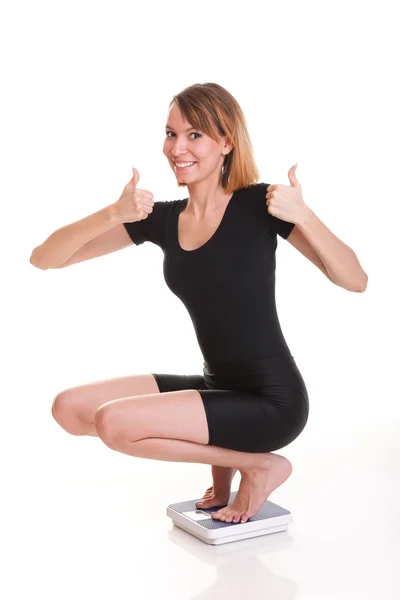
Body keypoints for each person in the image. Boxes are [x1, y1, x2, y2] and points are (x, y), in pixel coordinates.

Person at [31, 83, 368, 524]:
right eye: (171, 134)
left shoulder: (259, 205)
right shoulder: (163, 219)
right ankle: (239, 460)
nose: (177, 148)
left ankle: (259, 464)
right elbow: (45, 259)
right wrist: (114, 213)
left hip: (272, 401)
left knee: (114, 423)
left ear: (226, 142)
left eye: (194, 135)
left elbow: (354, 280)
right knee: (69, 408)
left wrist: (305, 215)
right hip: (218, 387)